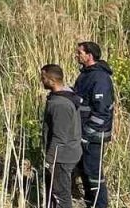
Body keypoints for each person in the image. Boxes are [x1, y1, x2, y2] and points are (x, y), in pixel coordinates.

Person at [73, 41, 115, 208]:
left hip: (93, 136)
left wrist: (87, 133)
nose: (77, 55)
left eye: (79, 53)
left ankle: (100, 205)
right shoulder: (86, 74)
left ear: (89, 56)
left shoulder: (100, 78)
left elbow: (102, 111)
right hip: (84, 133)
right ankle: (91, 203)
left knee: (94, 174)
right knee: (85, 172)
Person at [41, 64, 83, 208]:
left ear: (52, 80)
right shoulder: (64, 97)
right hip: (67, 152)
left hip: (63, 156)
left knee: (60, 195)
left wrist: (50, 159)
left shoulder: (60, 105)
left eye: (43, 78)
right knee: (55, 191)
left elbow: (60, 136)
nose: (42, 81)